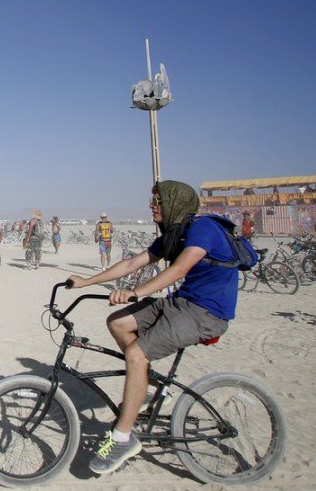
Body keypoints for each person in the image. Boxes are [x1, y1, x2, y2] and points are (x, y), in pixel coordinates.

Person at [66, 180, 243, 474]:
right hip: (182, 303)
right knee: (118, 322)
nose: (152, 206)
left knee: (136, 355)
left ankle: (123, 439)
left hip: (206, 312)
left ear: (175, 203)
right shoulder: (175, 233)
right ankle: (151, 387)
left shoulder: (203, 229)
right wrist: (86, 281)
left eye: (157, 201)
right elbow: (133, 263)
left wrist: (137, 292)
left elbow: (179, 269)